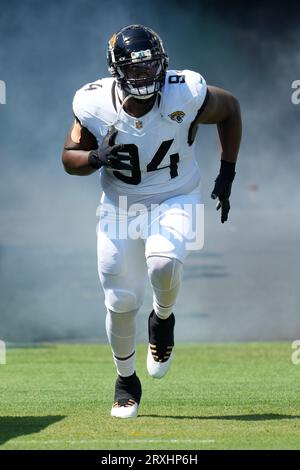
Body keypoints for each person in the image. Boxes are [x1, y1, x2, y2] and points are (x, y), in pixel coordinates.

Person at [62, 24, 242, 419]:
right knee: (120, 300)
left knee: (163, 262)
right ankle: (126, 380)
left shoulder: (185, 90)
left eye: (150, 67)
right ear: (117, 71)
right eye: (135, 69)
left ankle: (162, 320)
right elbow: (68, 157)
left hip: (175, 195)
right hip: (119, 206)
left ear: (163, 65)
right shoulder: (93, 103)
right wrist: (95, 159)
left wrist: (227, 172)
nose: (144, 76)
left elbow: (229, 109)